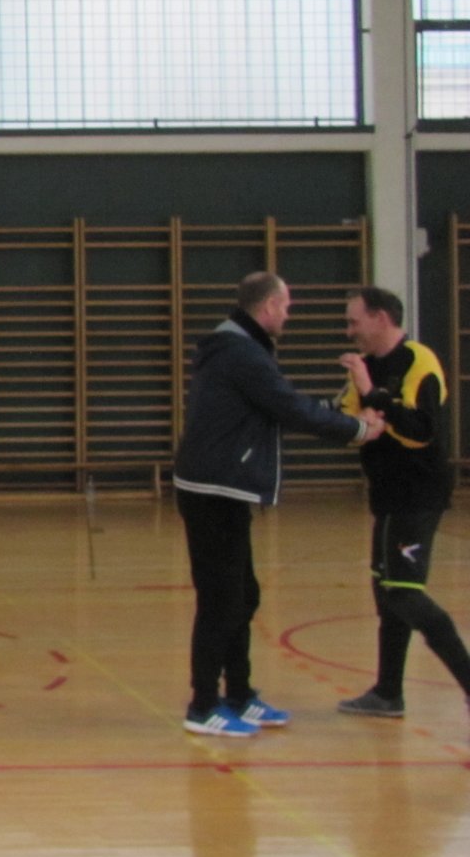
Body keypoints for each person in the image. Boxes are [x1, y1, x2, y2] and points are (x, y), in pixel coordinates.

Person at [170, 271, 380, 737]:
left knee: (243, 595)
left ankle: (239, 695)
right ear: (267, 307)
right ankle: (203, 706)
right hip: (212, 490)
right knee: (221, 600)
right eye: (285, 306)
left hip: (224, 488)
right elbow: (289, 408)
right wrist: (358, 430)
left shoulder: (242, 348)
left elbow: (279, 405)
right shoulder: (242, 353)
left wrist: (336, 410)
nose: (288, 314)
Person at [333, 286, 470, 722]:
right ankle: (388, 693)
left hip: (418, 493)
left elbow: (420, 432)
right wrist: (364, 417)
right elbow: (349, 420)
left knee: (405, 594)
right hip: (387, 495)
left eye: (354, 321)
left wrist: (374, 398)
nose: (349, 330)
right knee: (388, 594)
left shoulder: (418, 361)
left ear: (380, 318)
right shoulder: (365, 366)